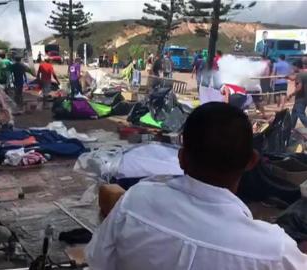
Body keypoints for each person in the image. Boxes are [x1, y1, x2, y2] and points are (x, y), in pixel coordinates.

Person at [86, 102, 307, 270]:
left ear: (181, 158)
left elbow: (98, 261)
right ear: (251, 161)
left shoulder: (135, 201)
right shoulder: (274, 251)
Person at [288, 57, 307, 128]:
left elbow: (299, 87)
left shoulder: (300, 74)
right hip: (304, 97)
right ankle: (291, 127)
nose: (292, 68)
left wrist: (291, 94)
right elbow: (294, 78)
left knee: (300, 114)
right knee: (294, 112)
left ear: (296, 66)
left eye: (293, 67)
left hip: (301, 97)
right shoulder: (303, 74)